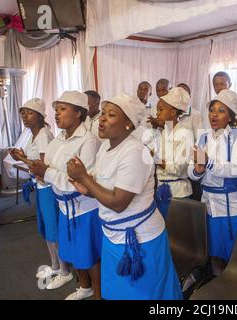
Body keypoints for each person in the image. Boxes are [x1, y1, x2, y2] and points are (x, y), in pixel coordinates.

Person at [66, 94, 182, 300]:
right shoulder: (105, 148)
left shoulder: (135, 152)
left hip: (139, 239)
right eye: (103, 113)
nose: (102, 119)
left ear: (128, 123)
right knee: (119, 293)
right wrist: (87, 188)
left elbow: (119, 202)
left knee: (145, 294)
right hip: (113, 235)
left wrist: (84, 176)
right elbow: (104, 188)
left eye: (111, 115)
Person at [29, 91, 102, 300]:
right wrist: (42, 173)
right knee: (74, 251)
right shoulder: (58, 140)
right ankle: (85, 287)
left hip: (84, 207)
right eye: (55, 110)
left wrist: (48, 173)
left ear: (78, 113)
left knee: (90, 255)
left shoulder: (88, 140)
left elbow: (80, 182)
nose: (56, 114)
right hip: (64, 206)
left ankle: (99, 294)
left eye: (62, 109)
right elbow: (50, 169)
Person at [188, 89, 237, 275]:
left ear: (231, 116)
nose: (214, 114)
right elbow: (191, 170)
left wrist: (209, 163)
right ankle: (217, 281)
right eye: (212, 110)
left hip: (232, 205)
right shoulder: (203, 137)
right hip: (208, 204)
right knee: (214, 250)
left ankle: (236, 288)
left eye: (221, 111)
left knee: (235, 253)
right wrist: (196, 171)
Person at [9, 98, 62, 281]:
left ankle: (64, 270)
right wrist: (22, 157)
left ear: (40, 116)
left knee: (53, 228)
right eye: (23, 112)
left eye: (29, 112)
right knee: (47, 226)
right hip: (41, 186)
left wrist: (22, 159)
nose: (25, 116)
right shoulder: (35, 134)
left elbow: (43, 167)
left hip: (47, 187)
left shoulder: (43, 135)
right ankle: (55, 265)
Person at [153, 87, 194, 218]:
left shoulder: (185, 133)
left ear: (172, 112)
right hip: (161, 189)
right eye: (157, 110)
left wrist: (155, 159)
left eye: (161, 110)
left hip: (178, 194)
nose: (157, 114)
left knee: (178, 234)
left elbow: (178, 168)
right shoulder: (164, 132)